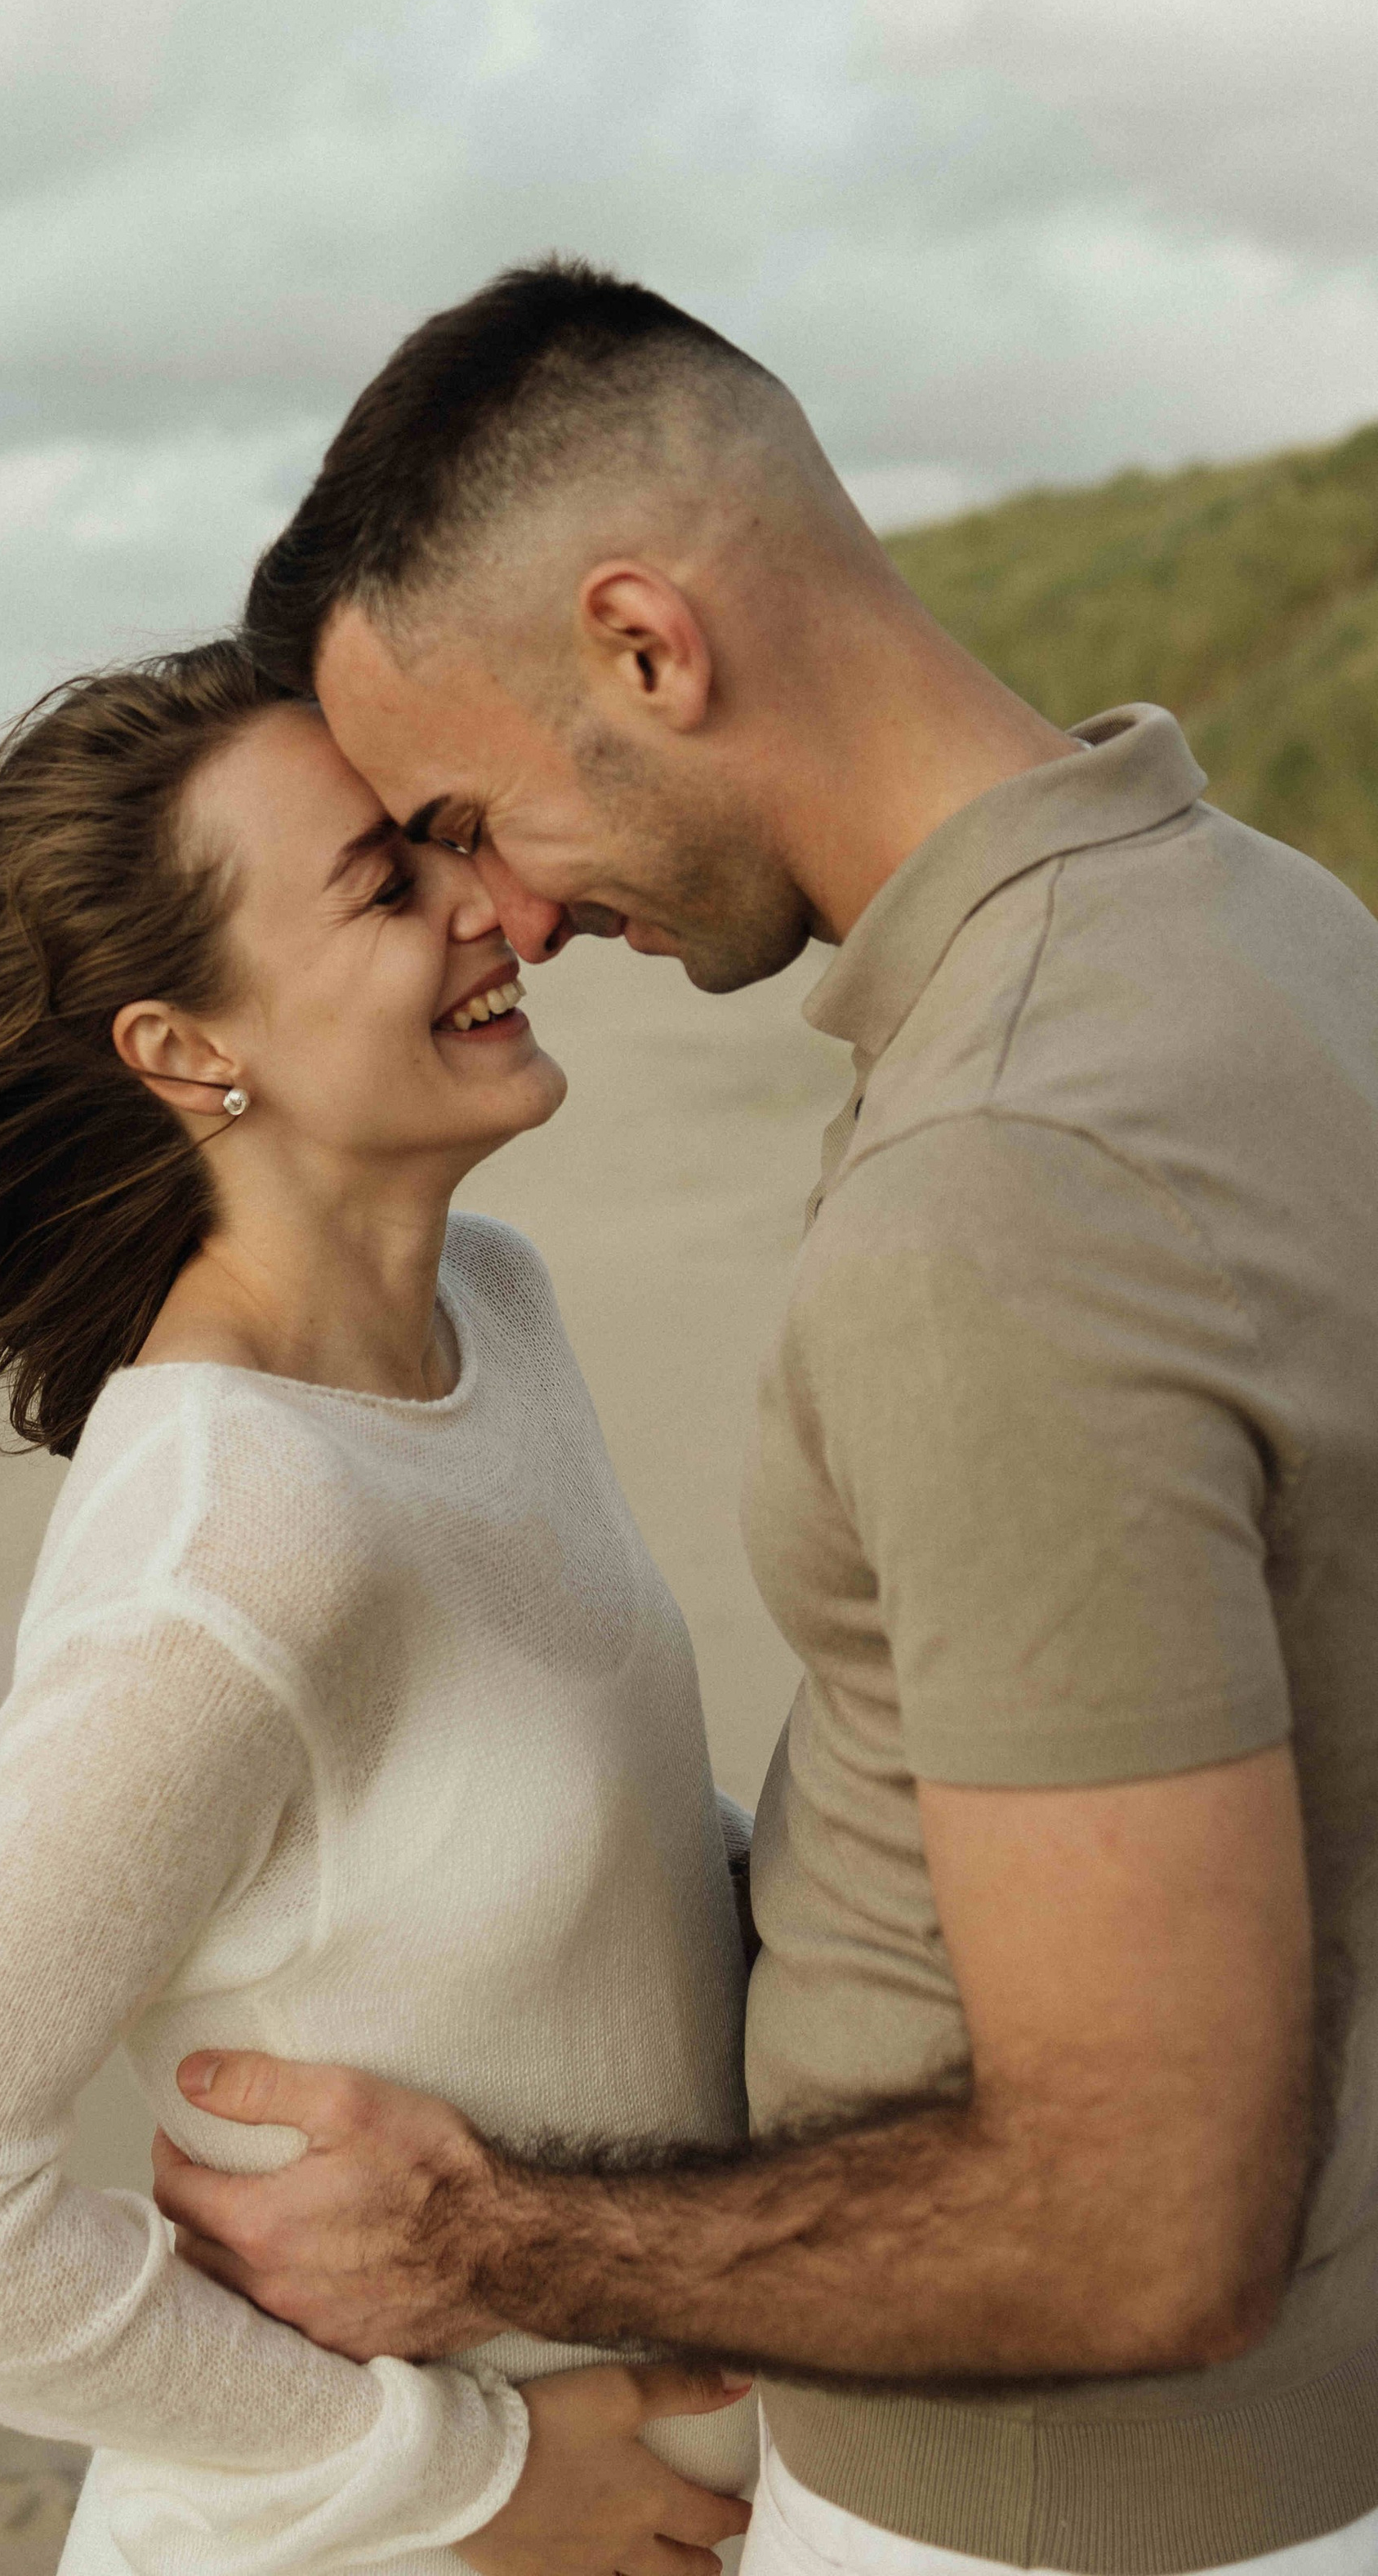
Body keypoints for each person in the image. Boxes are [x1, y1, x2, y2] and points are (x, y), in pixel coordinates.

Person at [149, 263, 1378, 2576]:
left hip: (1054, 2519)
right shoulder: (1271, 927)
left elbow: (1145, 2235)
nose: (503, 910)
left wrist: (491, 2243)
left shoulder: (1013, 1182)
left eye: (464, 811)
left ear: (646, 646)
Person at [0, 638, 765, 2576]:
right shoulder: (231, 1545)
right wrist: (475, 2478)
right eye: (386, 882)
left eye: (443, 841)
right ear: (186, 1048)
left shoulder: (494, 1316)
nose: (489, 904)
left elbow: (585, 1853)